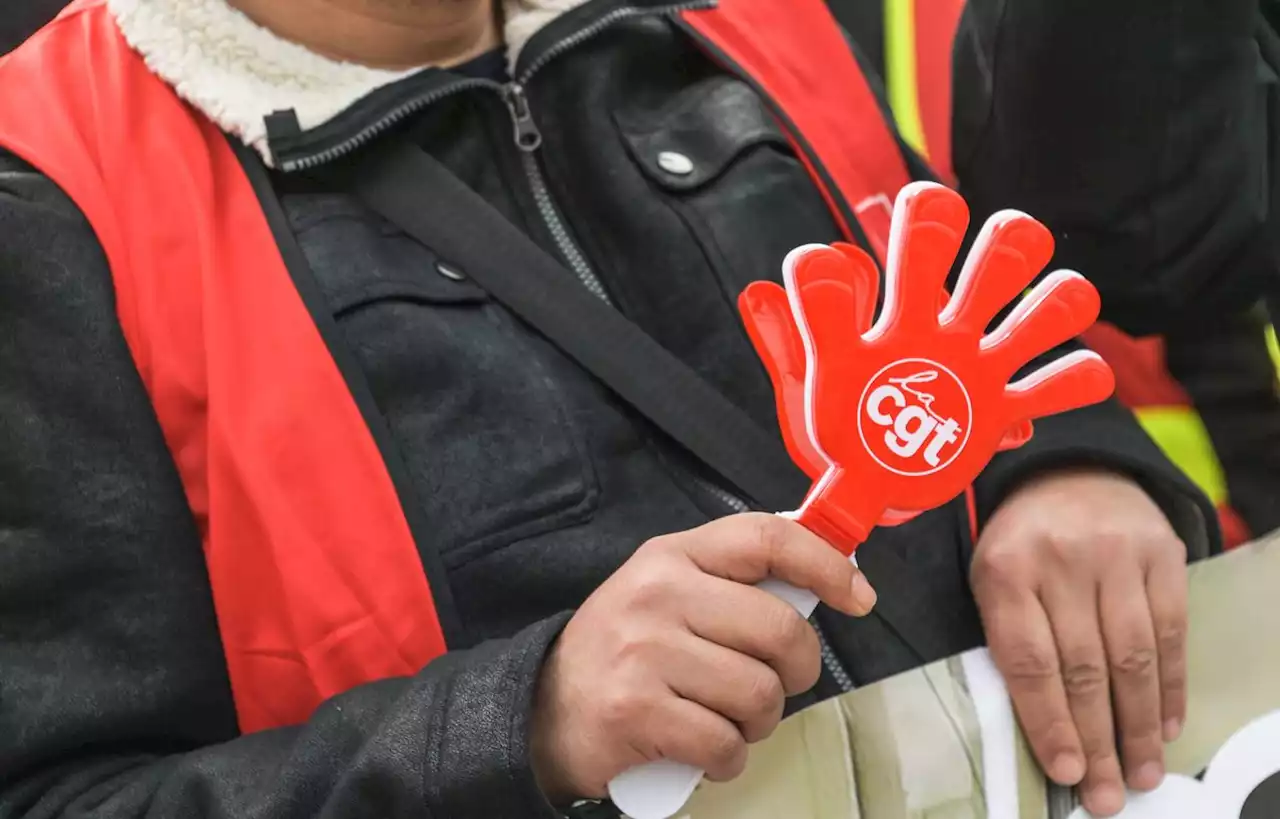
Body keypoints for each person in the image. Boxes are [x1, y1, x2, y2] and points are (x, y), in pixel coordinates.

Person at [0, 1, 1219, 817]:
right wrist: (521, 723)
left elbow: (959, 308)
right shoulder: (47, 191)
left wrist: (1057, 467)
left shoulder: (733, 20)